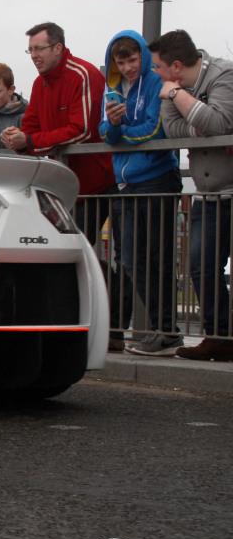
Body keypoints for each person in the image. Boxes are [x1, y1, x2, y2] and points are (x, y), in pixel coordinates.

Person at [98, 30, 183, 357]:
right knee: (131, 260)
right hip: (127, 186)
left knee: (158, 261)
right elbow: (106, 132)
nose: (128, 66)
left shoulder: (154, 83)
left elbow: (154, 128)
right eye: (122, 61)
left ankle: (167, 331)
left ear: (142, 57)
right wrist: (115, 126)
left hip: (157, 179)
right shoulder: (115, 88)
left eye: (132, 59)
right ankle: (164, 331)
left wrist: (119, 133)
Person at [151, 29, 233, 362]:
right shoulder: (167, 89)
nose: (155, 74)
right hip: (207, 193)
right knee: (200, 266)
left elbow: (221, 120)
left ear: (176, 65)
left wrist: (178, 96)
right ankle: (219, 337)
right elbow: (174, 129)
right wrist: (205, 126)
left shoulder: (224, 74)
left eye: (158, 68)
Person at [0, 22, 115, 240]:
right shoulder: (38, 84)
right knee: (64, 251)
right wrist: (17, 139)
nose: (33, 56)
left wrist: (28, 141)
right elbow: (30, 129)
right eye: (30, 50)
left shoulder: (83, 74)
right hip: (63, 188)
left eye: (39, 49)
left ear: (58, 48)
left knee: (79, 250)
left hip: (96, 188)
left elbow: (81, 131)